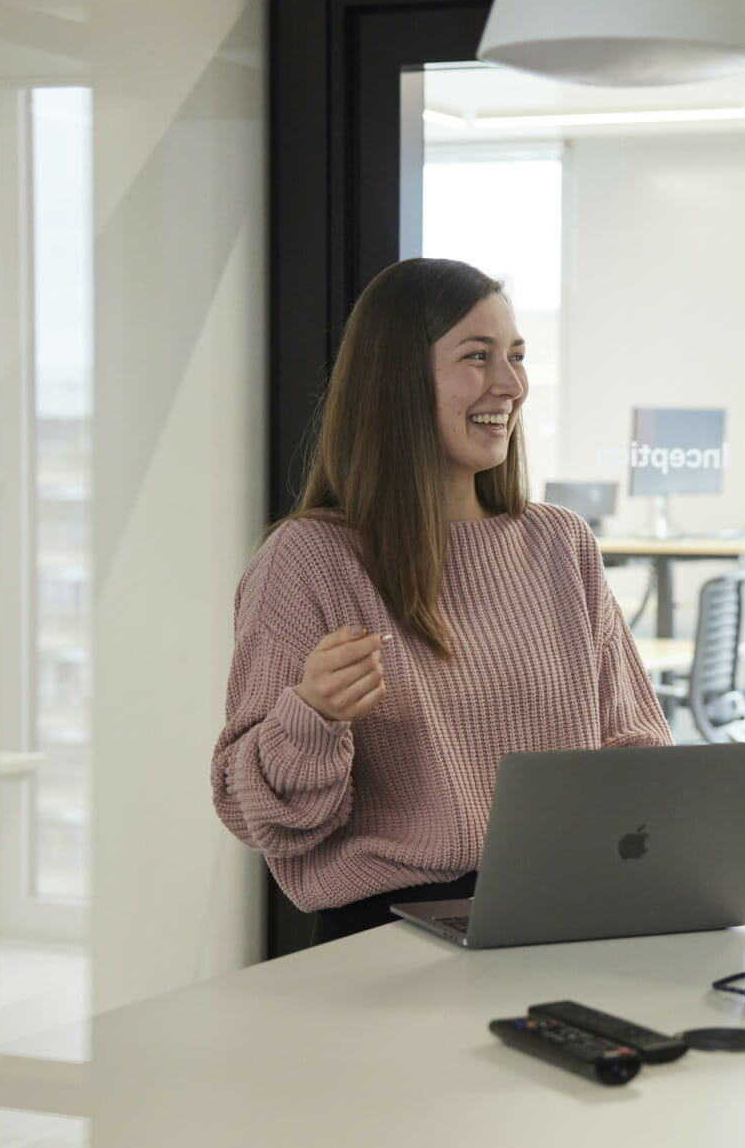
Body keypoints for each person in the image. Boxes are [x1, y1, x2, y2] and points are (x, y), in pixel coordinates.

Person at [211, 257, 672, 944]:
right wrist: (311, 715)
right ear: (397, 379)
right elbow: (259, 819)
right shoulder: (308, 560)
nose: (511, 384)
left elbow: (635, 747)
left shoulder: (560, 543)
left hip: (568, 914)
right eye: (477, 357)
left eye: (515, 357)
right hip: (390, 938)